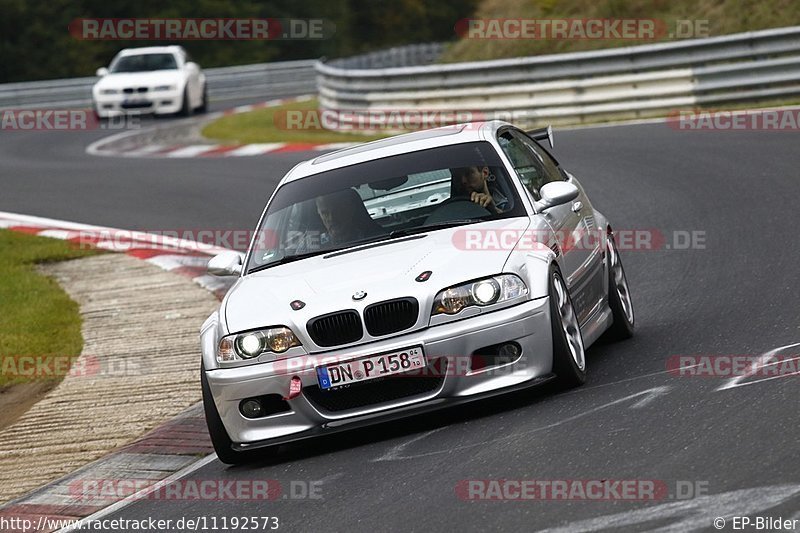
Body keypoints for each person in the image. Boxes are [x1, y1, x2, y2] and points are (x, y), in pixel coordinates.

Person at [315, 189, 383, 245]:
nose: (331, 218)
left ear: (351, 209)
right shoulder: (313, 246)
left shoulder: (376, 238)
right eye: (325, 213)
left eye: (337, 211)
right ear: (318, 213)